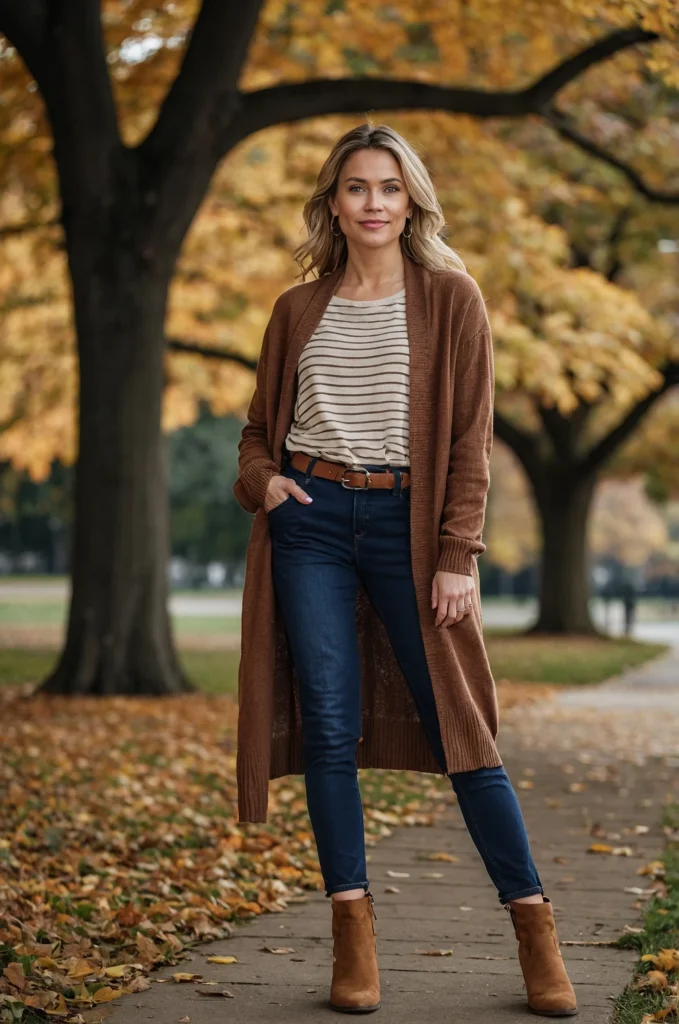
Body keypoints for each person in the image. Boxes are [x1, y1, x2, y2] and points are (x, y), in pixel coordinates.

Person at [232, 123, 577, 1018]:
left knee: (462, 730)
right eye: (356, 188)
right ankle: (353, 938)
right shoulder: (295, 310)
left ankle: (534, 929)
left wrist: (458, 553)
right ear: (334, 203)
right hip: (307, 522)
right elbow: (256, 430)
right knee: (328, 728)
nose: (373, 202)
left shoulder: (451, 299)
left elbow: (470, 440)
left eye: (389, 187)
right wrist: (263, 482)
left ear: (411, 199)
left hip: (407, 529)